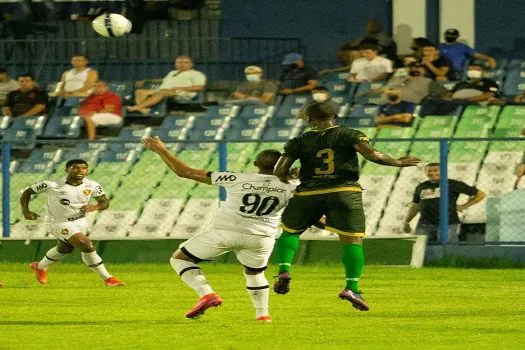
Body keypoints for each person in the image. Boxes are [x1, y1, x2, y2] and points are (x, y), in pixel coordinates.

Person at [272, 102, 421, 311]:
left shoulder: (300, 139)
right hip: (344, 192)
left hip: (308, 193)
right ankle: (352, 286)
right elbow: (372, 155)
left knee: (289, 232)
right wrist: (397, 162)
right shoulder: (350, 134)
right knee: (352, 240)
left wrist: (291, 176)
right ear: (336, 115)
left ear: (310, 119)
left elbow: (280, 170)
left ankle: (284, 270)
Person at [143, 136, 309, 321]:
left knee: (180, 259)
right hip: (262, 237)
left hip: (225, 232)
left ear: (255, 164)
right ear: (282, 166)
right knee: (255, 273)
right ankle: (263, 315)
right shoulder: (292, 186)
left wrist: (161, 150)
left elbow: (183, 171)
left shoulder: (236, 178)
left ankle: (207, 294)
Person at [20, 159, 124, 287]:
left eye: (84, 168)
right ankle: (108, 278)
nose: (80, 171)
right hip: (57, 222)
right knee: (86, 245)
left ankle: (39, 266)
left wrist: (95, 207)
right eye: (76, 168)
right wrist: (26, 212)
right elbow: (27, 192)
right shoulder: (51, 184)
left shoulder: (92, 185)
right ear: (67, 170)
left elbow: (105, 202)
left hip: (80, 221)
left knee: (65, 248)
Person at [403, 163, 486, 243]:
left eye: (436, 170)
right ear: (425, 172)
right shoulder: (421, 187)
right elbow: (415, 205)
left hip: (448, 223)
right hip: (424, 224)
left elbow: (480, 194)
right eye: (429, 171)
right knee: (421, 248)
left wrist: (464, 206)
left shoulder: (452, 184)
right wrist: (407, 221)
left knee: (447, 248)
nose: (432, 173)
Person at [127, 56, 206, 114]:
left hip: (180, 93)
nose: (182, 64)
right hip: (163, 91)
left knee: (162, 93)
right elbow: (162, 80)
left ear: (191, 64)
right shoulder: (172, 72)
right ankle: (144, 109)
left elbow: (200, 87)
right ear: (175, 64)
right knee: (139, 92)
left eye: (185, 62)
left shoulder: (196, 74)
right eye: (179, 62)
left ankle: (138, 107)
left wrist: (180, 88)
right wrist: (146, 80)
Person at [383, 63, 448, 104]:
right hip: (395, 104)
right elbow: (386, 91)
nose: (414, 70)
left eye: (418, 68)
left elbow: (445, 93)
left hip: (416, 106)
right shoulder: (398, 79)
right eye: (411, 68)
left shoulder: (428, 81)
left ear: (423, 70)